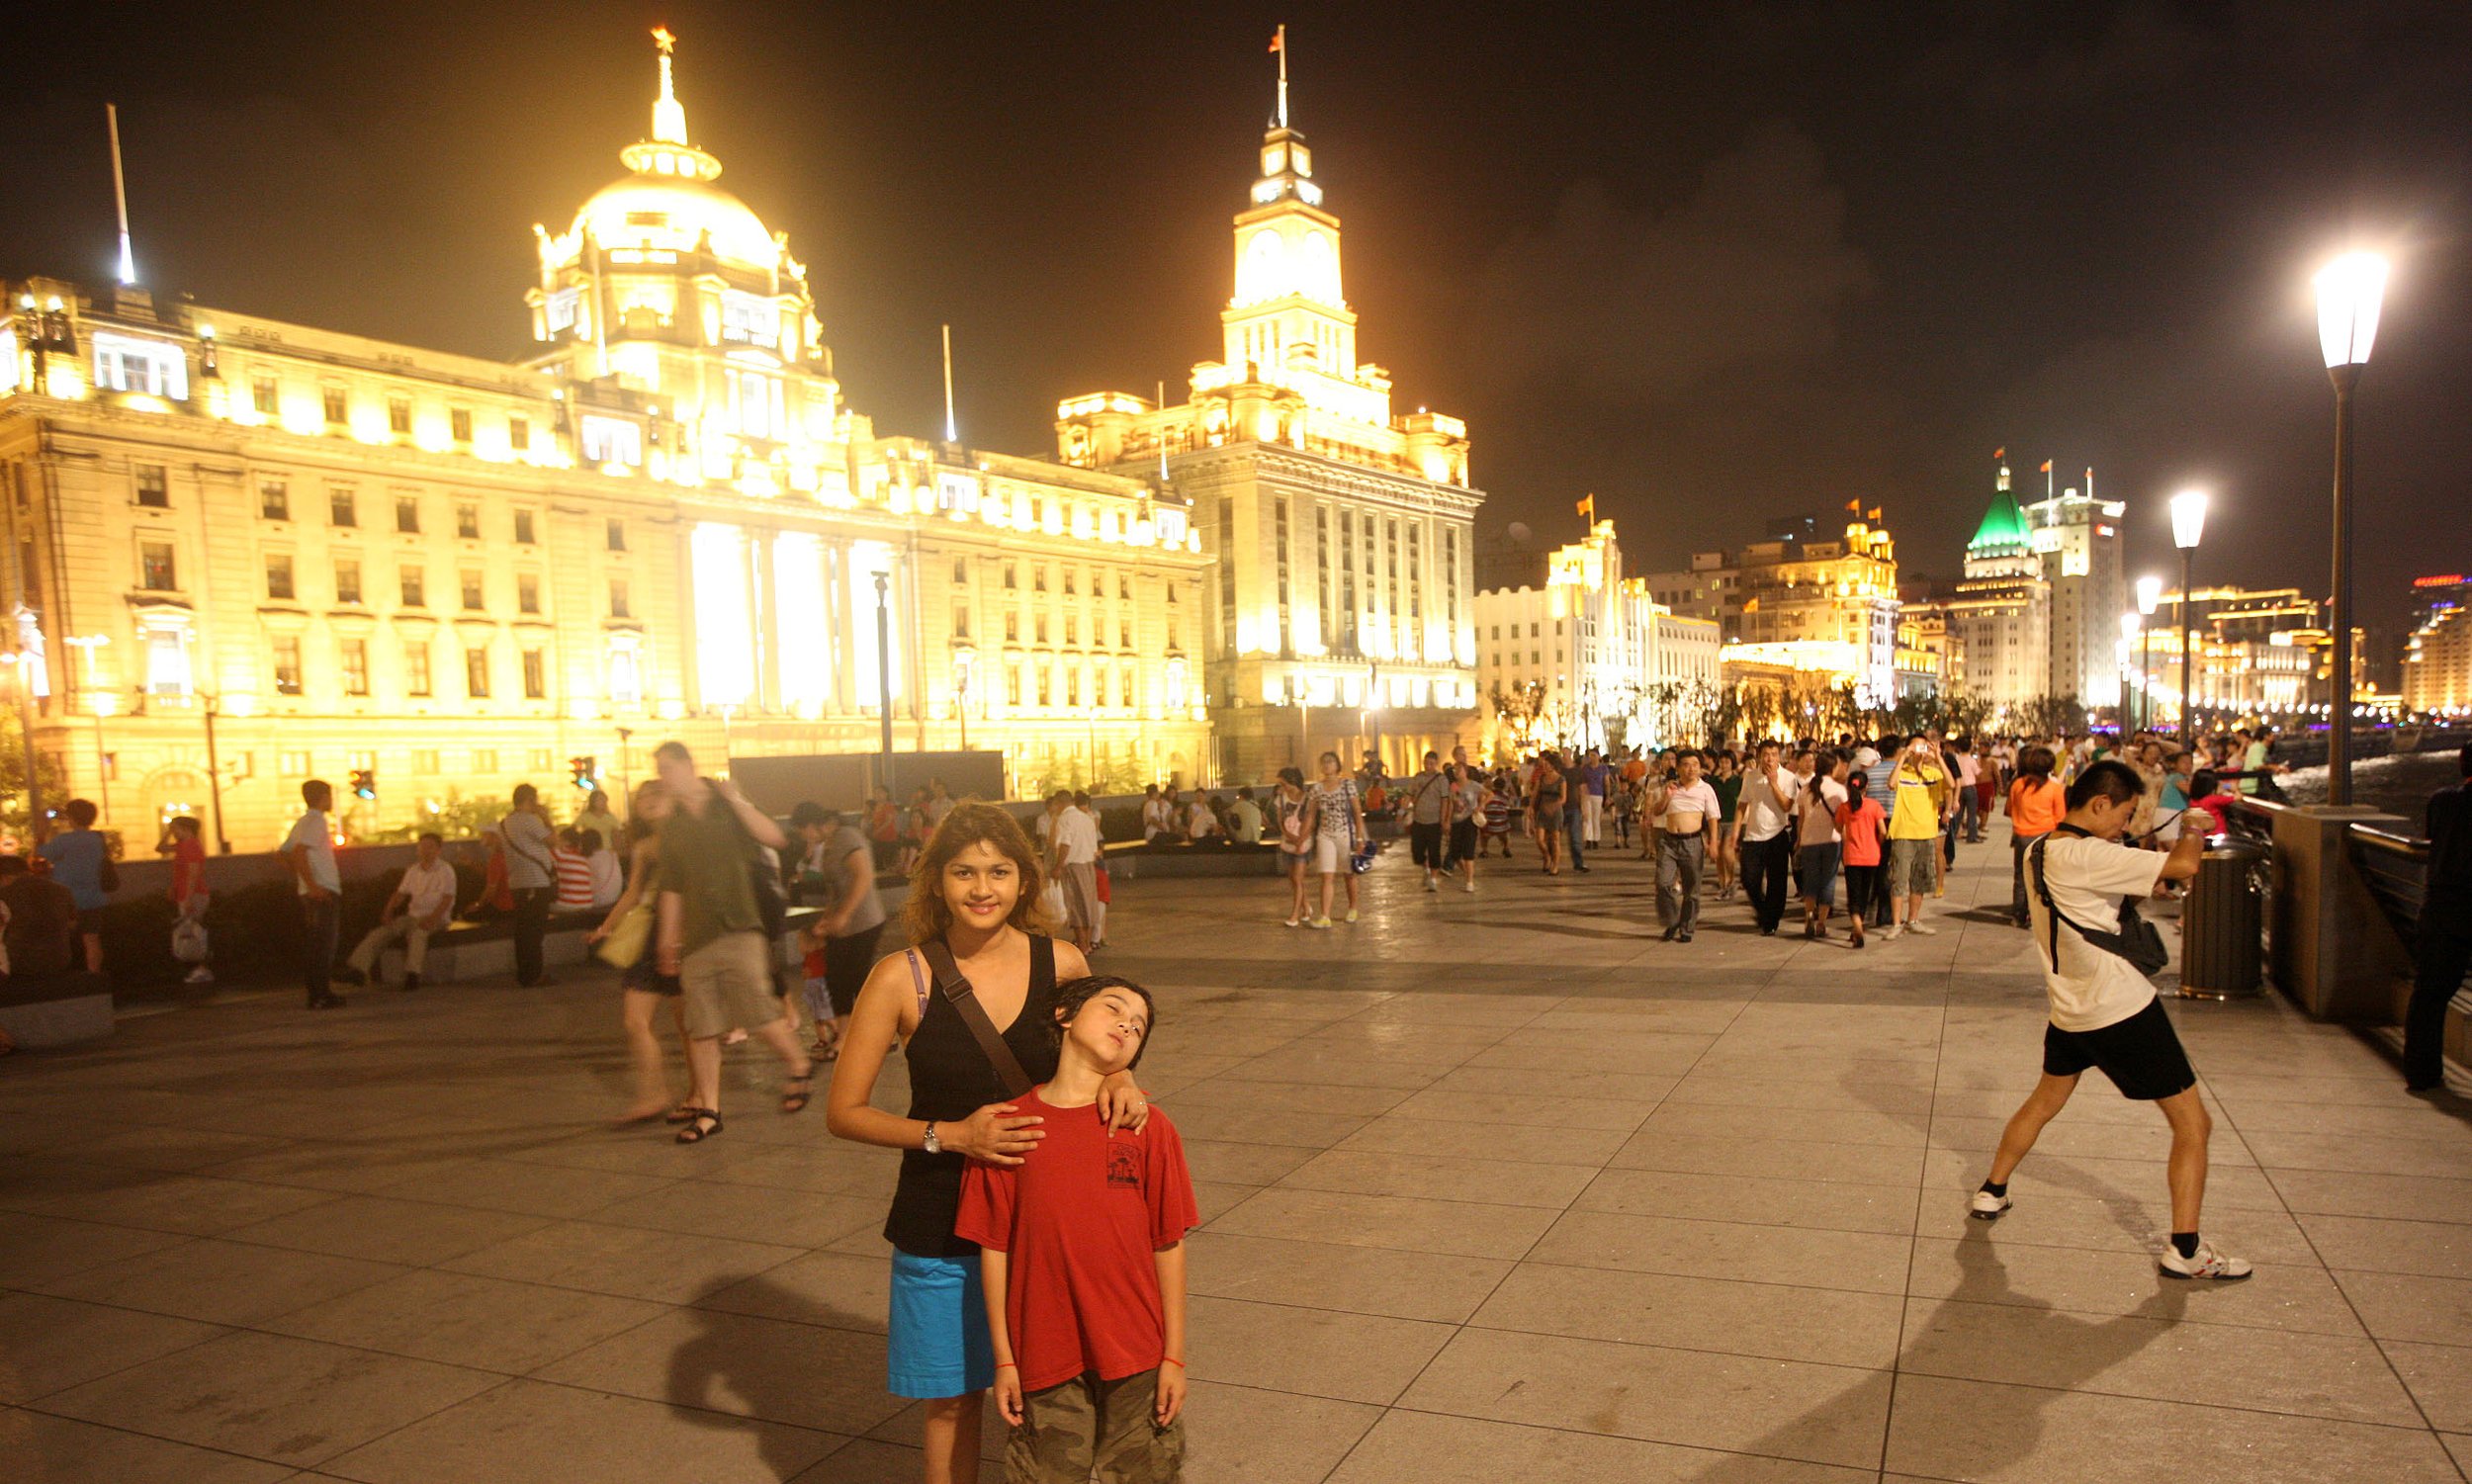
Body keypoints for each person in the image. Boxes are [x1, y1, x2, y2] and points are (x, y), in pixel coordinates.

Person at [825, 803, 1146, 1484]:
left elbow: (1104, 1050)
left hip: (1045, 1217)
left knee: (1059, 1390)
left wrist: (1125, 1080)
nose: (982, 887)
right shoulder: (899, 976)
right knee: (951, 1398)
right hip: (940, 1218)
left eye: (999, 871)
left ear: (1024, 881)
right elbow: (844, 1111)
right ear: (934, 879)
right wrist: (953, 1135)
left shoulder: (1060, 961)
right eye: (964, 871)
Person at [1970, 760, 2249, 1279]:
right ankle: (2185, 1251)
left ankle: (1992, 1190)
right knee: (2193, 1124)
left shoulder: (2039, 851)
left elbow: (2094, 900)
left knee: (2043, 1101)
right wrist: (2192, 825)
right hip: (2121, 1008)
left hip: (2069, 1007)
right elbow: (2185, 867)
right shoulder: (2092, 853)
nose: (2124, 826)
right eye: (2122, 815)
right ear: (2099, 805)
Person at [961, 975, 1196, 1483]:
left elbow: (1169, 1243)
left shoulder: (1147, 1127)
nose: (1126, 1024)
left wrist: (1173, 1355)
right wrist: (1005, 1360)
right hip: (1044, 1355)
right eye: (1113, 1008)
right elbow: (994, 1249)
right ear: (1064, 1016)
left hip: (1136, 1352)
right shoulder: (1010, 1127)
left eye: (1138, 1027)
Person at [651, 742, 813, 1145]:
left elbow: (775, 838)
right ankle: (709, 1110)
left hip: (740, 925)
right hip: (697, 937)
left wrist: (736, 798)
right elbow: (671, 887)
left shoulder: (725, 804)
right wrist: (667, 941)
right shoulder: (672, 825)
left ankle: (797, 1062)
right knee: (701, 1026)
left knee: (758, 1014)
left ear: (688, 765)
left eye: (668, 768)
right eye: (659, 770)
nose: (664, 777)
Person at [589, 781, 690, 1124]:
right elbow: (633, 893)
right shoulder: (645, 845)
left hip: (683, 933)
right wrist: (607, 926)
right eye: (642, 797)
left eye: (655, 794)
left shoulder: (690, 838)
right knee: (635, 1020)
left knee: (686, 1024)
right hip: (648, 935)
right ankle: (653, 1094)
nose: (647, 801)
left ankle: (699, 1093)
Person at [792, 803, 886, 1065]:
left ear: (812, 826)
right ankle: (852, 1036)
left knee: (853, 979)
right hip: (844, 924)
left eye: (803, 832)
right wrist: (827, 919)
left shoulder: (847, 836)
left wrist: (844, 914)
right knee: (838, 977)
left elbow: (863, 876)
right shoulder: (830, 843)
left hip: (864, 921)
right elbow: (835, 889)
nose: (805, 838)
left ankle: (861, 1036)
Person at [2405, 743, 2472, 1091]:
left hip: (2440, 906)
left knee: (2429, 993)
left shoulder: (2442, 801)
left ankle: (2420, 1073)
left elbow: (2431, 840)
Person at [338, 831, 457, 991]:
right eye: (422, 846)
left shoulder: (445, 870)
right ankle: (358, 969)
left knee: (418, 935)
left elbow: (447, 898)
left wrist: (433, 918)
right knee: (381, 933)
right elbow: (400, 894)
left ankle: (412, 974)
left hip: (436, 917)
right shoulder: (413, 870)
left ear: (438, 850)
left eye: (430, 847)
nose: (425, 850)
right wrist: (388, 911)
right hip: (413, 915)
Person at [283, 779, 345, 1009]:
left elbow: (283, 853)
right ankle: (321, 994)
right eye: (329, 796)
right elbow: (298, 852)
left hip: (309, 892)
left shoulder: (302, 822)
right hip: (322, 891)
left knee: (315, 944)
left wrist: (302, 878)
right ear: (323, 797)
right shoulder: (316, 821)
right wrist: (313, 885)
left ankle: (316, 993)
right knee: (324, 945)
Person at [1883, 737, 1949, 940]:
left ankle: (1913, 920)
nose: (1920, 750)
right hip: (1903, 832)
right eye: (1916, 746)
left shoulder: (1933, 774)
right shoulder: (1902, 773)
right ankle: (1896, 923)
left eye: (1924, 745)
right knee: (1899, 881)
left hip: (1926, 833)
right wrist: (1904, 756)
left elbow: (1952, 783)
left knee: (1919, 880)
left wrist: (1937, 757)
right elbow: (1891, 783)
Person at [37, 798, 109, 974]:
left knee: (64, 939)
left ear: (71, 817)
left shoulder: (65, 840)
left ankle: (67, 978)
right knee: (92, 939)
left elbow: (42, 854)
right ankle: (95, 975)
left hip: (66, 897)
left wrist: (42, 831)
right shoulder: (97, 839)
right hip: (93, 898)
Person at [1655, 749, 1721, 943]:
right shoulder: (1671, 787)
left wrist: (1713, 842)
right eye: (1686, 764)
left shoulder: (1705, 789)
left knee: (1692, 890)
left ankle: (1686, 928)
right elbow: (1657, 811)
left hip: (1692, 842)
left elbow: (1713, 817)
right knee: (1663, 883)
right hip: (1669, 841)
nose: (1691, 769)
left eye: (1695, 765)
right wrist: (1667, 796)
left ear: (1700, 768)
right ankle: (1672, 920)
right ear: (1678, 767)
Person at [1736, 741, 1800, 935]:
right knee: (1749, 880)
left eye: (1773, 754)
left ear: (1779, 756)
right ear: (1759, 756)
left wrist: (1773, 783)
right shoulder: (1750, 776)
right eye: (1766, 754)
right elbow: (1742, 804)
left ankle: (1771, 921)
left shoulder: (1788, 778)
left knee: (1777, 882)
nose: (1770, 758)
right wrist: (1735, 832)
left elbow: (1787, 806)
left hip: (1777, 834)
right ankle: (1764, 911)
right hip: (1753, 836)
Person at [500, 783, 558, 987]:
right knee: (535, 931)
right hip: (535, 881)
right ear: (530, 800)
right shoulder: (530, 820)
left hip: (517, 883)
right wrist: (547, 818)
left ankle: (525, 974)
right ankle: (534, 975)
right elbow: (553, 840)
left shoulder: (505, 822)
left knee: (523, 930)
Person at [2005, 745, 2069, 927]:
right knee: (2041, 877)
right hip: (2045, 836)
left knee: (2020, 876)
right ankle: (2038, 915)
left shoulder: (2018, 785)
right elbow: (2060, 817)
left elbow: (2010, 809)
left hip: (2021, 836)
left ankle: (2018, 915)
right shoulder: (2054, 788)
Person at [0, 854, 78, 983]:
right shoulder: (62, 890)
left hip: (18, 964)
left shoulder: (4, 895)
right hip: (60, 960)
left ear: (3, 877)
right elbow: (72, 926)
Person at [1798, 749, 1848, 941]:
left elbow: (1801, 819)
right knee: (1828, 881)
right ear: (1833, 768)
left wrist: (1798, 840)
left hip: (1809, 840)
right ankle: (1821, 923)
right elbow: (1843, 819)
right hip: (1831, 841)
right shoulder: (1838, 789)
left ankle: (1808, 916)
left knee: (1810, 880)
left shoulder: (1806, 788)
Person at [1834, 771, 1887, 950]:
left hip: (1852, 857)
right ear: (1867, 786)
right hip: (1872, 856)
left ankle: (1857, 930)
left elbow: (1838, 827)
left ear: (1849, 787)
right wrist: (1877, 845)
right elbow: (1883, 831)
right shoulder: (1874, 806)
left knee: (1853, 896)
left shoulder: (1844, 807)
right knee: (1864, 894)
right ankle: (1858, 927)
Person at [1047, 789, 1104, 954]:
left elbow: (1065, 844)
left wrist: (1058, 866)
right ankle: (1086, 943)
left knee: (1076, 906)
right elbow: (1094, 846)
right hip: (1088, 865)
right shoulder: (1087, 818)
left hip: (1073, 866)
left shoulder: (1065, 819)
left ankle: (1083, 945)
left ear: (1059, 803)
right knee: (1088, 905)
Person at [163, 815, 214, 985]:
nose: (173, 831)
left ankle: (201, 968)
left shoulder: (191, 846)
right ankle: (199, 969)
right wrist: (167, 833)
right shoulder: (182, 845)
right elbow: (160, 848)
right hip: (186, 893)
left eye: (175, 828)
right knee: (191, 932)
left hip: (193, 894)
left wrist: (188, 898)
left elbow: (194, 873)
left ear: (186, 828)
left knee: (195, 933)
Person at [1402, 750, 1451, 893]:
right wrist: (1402, 811)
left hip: (1434, 821)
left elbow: (1445, 800)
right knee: (1416, 851)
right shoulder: (1417, 778)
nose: (1428, 766)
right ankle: (1426, 868)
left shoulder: (1441, 779)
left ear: (1436, 764)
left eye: (1431, 763)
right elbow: (1409, 795)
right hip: (1418, 820)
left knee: (1434, 851)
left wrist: (1444, 819)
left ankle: (1433, 879)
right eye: (1426, 763)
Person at [1273, 767, 1313, 926]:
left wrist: (1300, 839)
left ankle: (1295, 915)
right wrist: (1288, 836)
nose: (1282, 787)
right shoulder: (1281, 798)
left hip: (1304, 842)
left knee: (1297, 878)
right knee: (1293, 878)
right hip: (1287, 842)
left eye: (1283, 783)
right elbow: (1280, 821)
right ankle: (1306, 906)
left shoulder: (1308, 798)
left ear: (1292, 781)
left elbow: (1311, 822)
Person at [1445, 761, 1485, 894]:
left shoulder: (1473, 785)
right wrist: (1447, 820)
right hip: (1456, 821)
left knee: (1468, 853)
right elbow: (1451, 804)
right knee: (1455, 853)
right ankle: (1467, 872)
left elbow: (1489, 794)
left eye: (1459, 770)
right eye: (1455, 770)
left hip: (1469, 821)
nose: (1457, 772)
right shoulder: (1454, 786)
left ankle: (1469, 882)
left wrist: (1480, 806)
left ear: (1465, 771)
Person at [1527, 750, 1567, 876]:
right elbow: (1535, 795)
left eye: (1548, 764)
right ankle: (1547, 856)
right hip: (1543, 810)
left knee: (1555, 839)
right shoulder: (1542, 779)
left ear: (1554, 765)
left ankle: (1555, 865)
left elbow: (1563, 798)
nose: (1545, 766)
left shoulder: (1561, 779)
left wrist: (1555, 805)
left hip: (1555, 811)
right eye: (1545, 764)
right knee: (1539, 839)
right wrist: (1531, 807)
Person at [1709, 751, 1743, 897]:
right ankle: (1722, 884)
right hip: (1716, 821)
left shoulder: (1737, 781)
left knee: (1727, 853)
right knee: (1718, 855)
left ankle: (1731, 880)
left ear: (1732, 763)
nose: (1724, 765)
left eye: (1727, 762)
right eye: (1721, 762)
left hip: (1731, 820)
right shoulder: (1713, 781)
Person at [551, 828, 596, 913]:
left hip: (568, 904)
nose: (557, 842)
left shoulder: (559, 854)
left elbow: (542, 859)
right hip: (587, 903)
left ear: (566, 841)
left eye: (559, 840)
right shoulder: (584, 858)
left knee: (540, 906)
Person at [1579, 747, 1610, 848]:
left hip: (1598, 794)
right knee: (1587, 817)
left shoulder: (1603, 768)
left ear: (1598, 757)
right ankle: (1588, 839)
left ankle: (1596, 839)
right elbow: (1582, 782)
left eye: (1594, 755)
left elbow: (1606, 783)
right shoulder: (1585, 768)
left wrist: (1608, 796)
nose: (1592, 758)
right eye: (1590, 755)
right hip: (1586, 795)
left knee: (1596, 818)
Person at [574, 788, 622, 853]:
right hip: (590, 852)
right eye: (600, 800)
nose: (603, 802)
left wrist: (615, 849)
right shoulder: (584, 817)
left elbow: (617, 835)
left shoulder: (610, 818)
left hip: (608, 851)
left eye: (604, 800)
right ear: (593, 802)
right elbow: (574, 831)